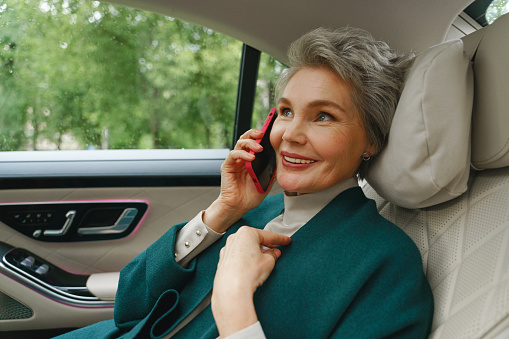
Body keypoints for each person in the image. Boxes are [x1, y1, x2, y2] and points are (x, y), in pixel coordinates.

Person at [57, 27, 433, 339]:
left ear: (371, 139)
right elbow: (129, 308)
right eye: (286, 111)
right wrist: (222, 211)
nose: (290, 135)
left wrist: (234, 298)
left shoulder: (387, 263)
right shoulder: (253, 211)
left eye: (323, 116)